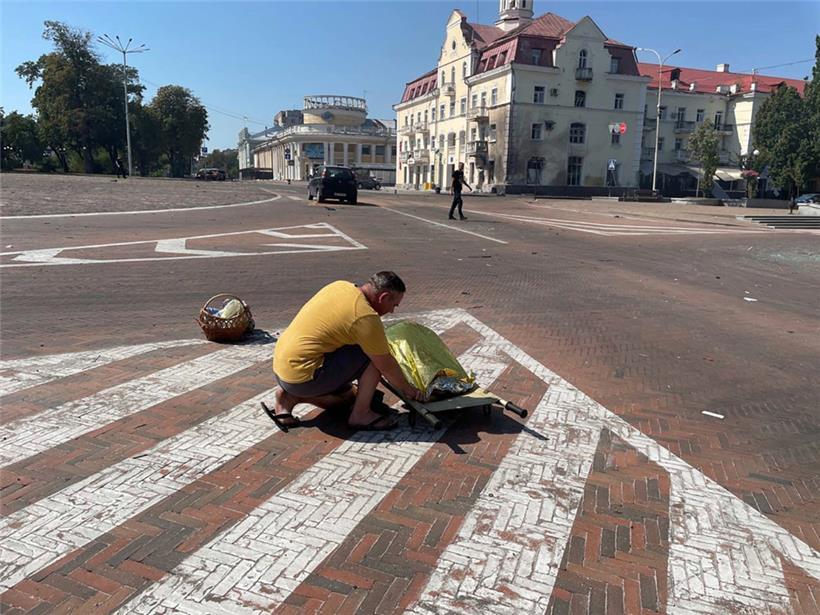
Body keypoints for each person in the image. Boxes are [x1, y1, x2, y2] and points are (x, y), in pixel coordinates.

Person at [271, 271, 423, 431]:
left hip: (282, 369)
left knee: (350, 392)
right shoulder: (365, 317)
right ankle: (361, 414)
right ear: (383, 297)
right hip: (304, 378)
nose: (392, 311)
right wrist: (411, 391)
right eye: (394, 305)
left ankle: (288, 397)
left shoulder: (340, 286)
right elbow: (386, 366)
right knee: (373, 358)